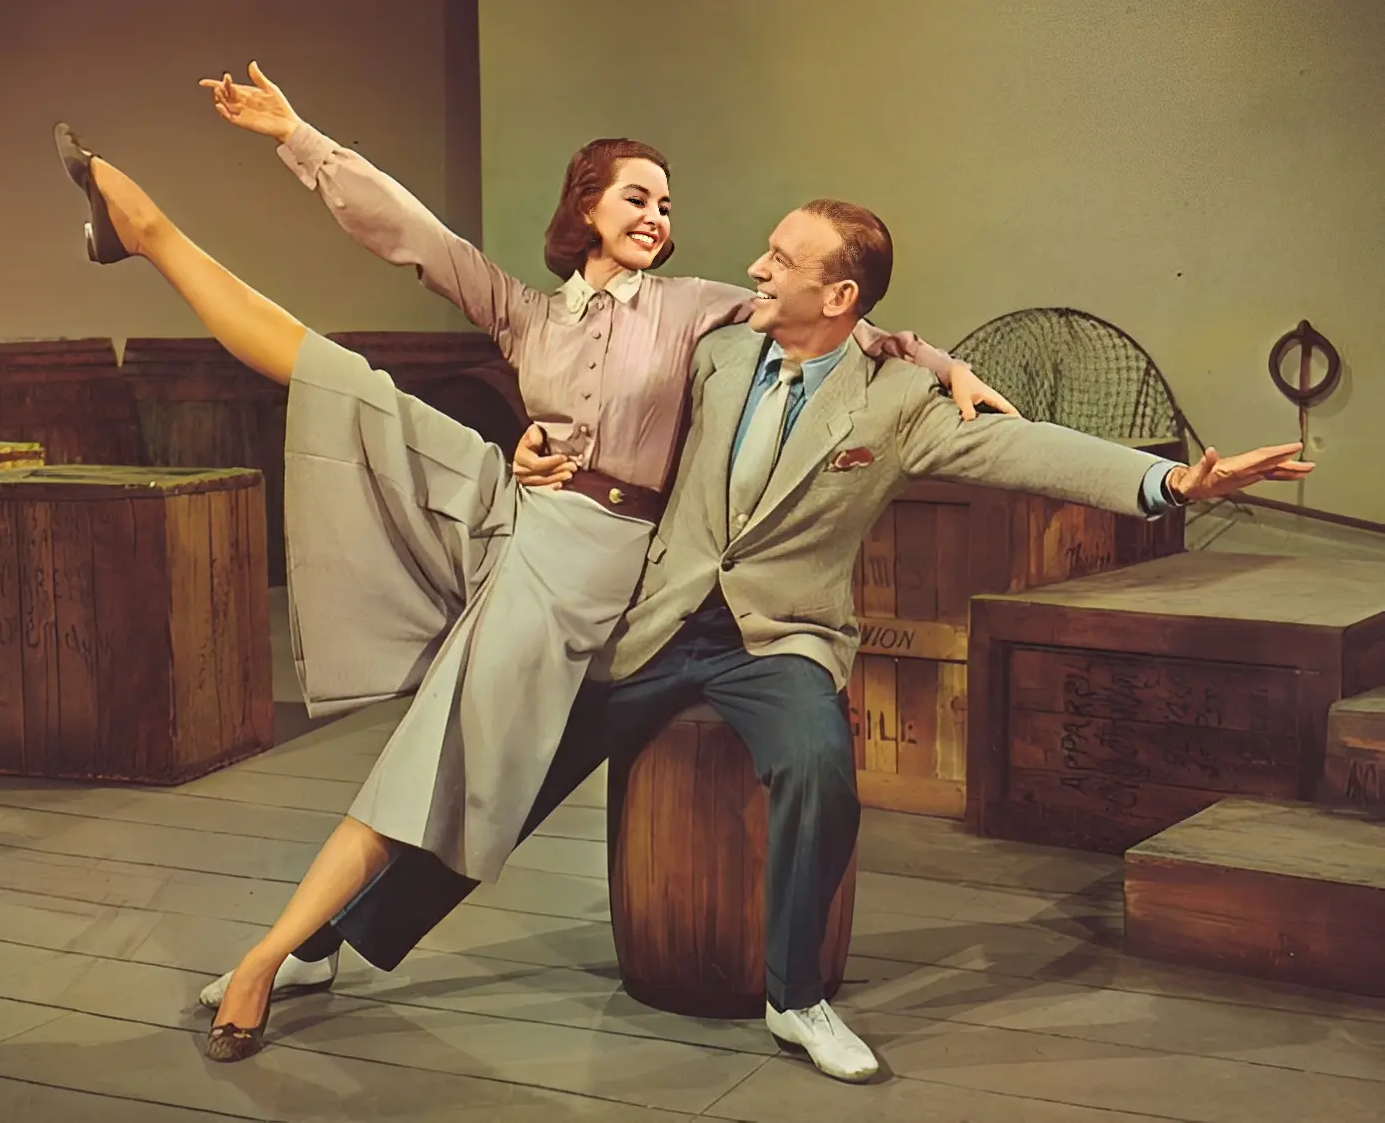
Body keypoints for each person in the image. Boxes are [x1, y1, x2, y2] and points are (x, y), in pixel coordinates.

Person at [202, 198, 1313, 1082]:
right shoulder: (720, 354)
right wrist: (534, 444)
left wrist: (1171, 479)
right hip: (659, 622)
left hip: (779, 642)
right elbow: (604, 392)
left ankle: (796, 995)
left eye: (782, 259)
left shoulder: (898, 405)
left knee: (820, 763)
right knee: (512, 759)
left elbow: (1027, 454)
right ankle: (325, 941)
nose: (757, 266)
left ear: (837, 294)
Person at [54, 70, 1011, 1063]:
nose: (657, 212)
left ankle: (286, 950)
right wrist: (296, 134)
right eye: (635, 194)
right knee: (338, 379)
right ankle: (153, 233)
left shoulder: (696, 309)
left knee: (456, 760)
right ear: (585, 207)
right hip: (514, 516)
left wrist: (941, 364)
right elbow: (411, 237)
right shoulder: (527, 313)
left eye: (667, 201)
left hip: (599, 564)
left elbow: (842, 325)